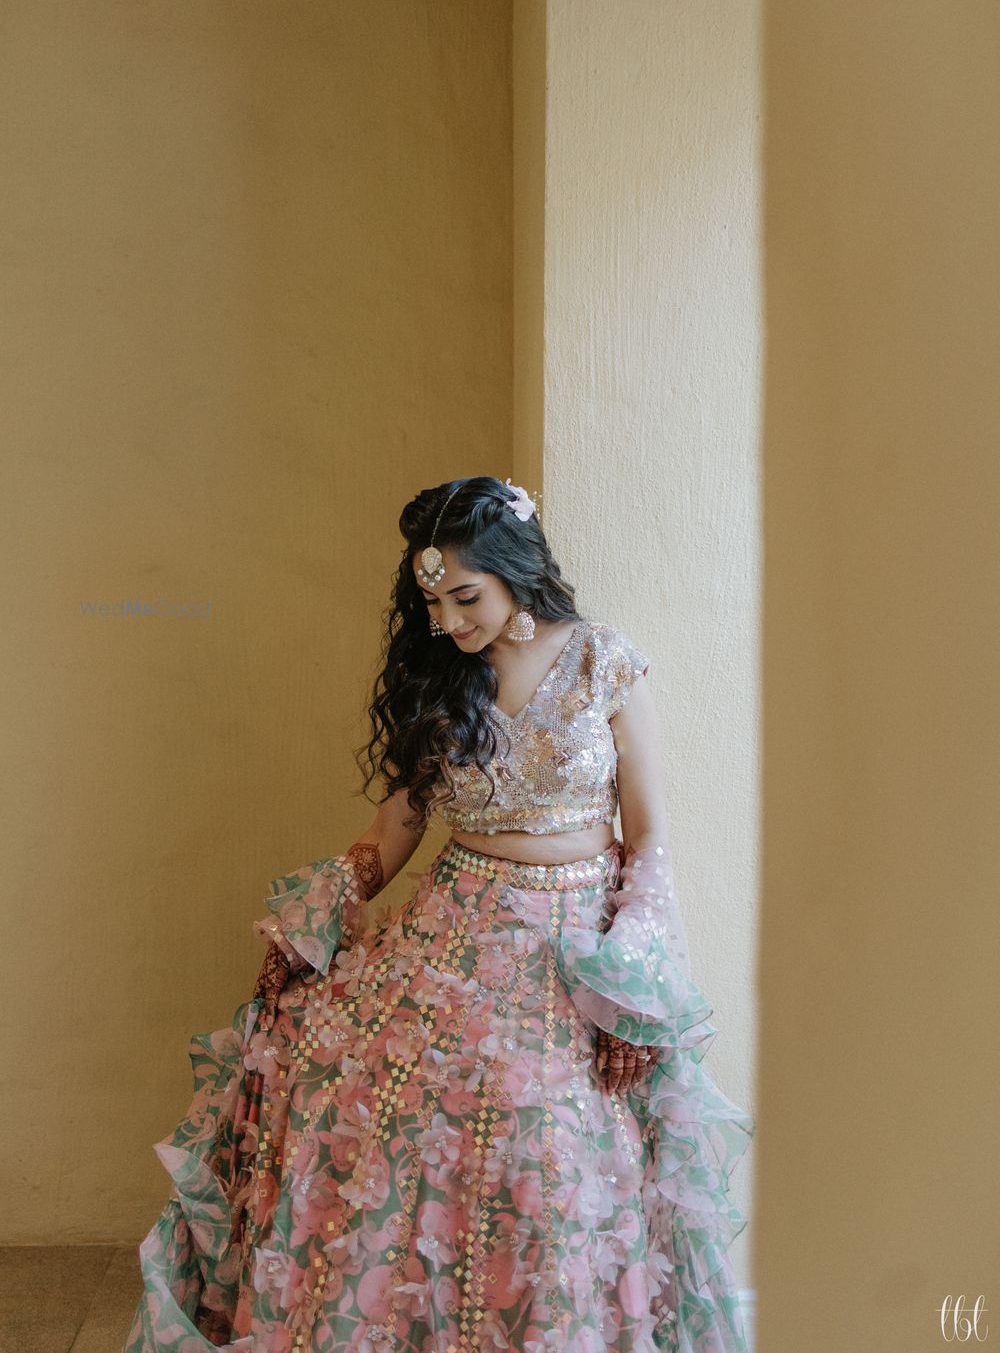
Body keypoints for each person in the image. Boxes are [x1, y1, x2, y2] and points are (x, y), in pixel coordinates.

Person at [123, 475, 754, 1353]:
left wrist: (635, 992)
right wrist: (313, 923)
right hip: (451, 931)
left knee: (547, 1145)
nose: (451, 622)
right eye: (434, 603)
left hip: (574, 954)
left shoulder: (605, 660)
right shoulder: (442, 678)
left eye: (467, 597)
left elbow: (647, 839)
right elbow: (398, 826)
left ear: (515, 572)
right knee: (377, 1121)